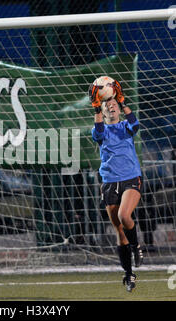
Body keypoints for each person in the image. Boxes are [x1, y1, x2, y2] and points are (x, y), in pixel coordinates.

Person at [89, 80, 144, 292]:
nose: (110, 107)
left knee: (124, 216)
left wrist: (122, 101)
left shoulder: (126, 127)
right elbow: (99, 130)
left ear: (119, 110)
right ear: (102, 112)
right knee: (119, 233)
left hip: (131, 178)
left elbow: (135, 124)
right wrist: (96, 107)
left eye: (114, 105)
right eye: (107, 105)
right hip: (110, 183)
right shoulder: (99, 131)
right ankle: (129, 274)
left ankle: (137, 246)